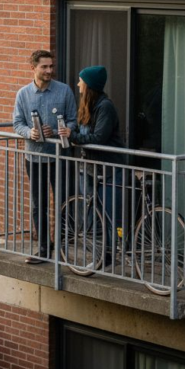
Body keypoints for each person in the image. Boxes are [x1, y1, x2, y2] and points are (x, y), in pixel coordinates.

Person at [13, 50, 77, 264]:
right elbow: (17, 123)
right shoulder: (23, 94)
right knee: (38, 204)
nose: (49, 70)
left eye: (51, 66)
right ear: (33, 68)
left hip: (60, 157)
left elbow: (73, 121)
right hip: (35, 157)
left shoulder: (64, 91)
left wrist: (61, 131)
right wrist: (28, 132)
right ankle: (43, 248)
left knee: (64, 202)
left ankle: (62, 247)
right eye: (44, 67)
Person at [62, 65, 126, 258]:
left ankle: (109, 253)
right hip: (89, 167)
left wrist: (72, 136)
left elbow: (99, 138)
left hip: (108, 168)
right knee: (93, 212)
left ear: (89, 84)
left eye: (81, 80)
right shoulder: (88, 105)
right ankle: (100, 254)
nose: (78, 83)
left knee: (107, 213)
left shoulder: (105, 106)